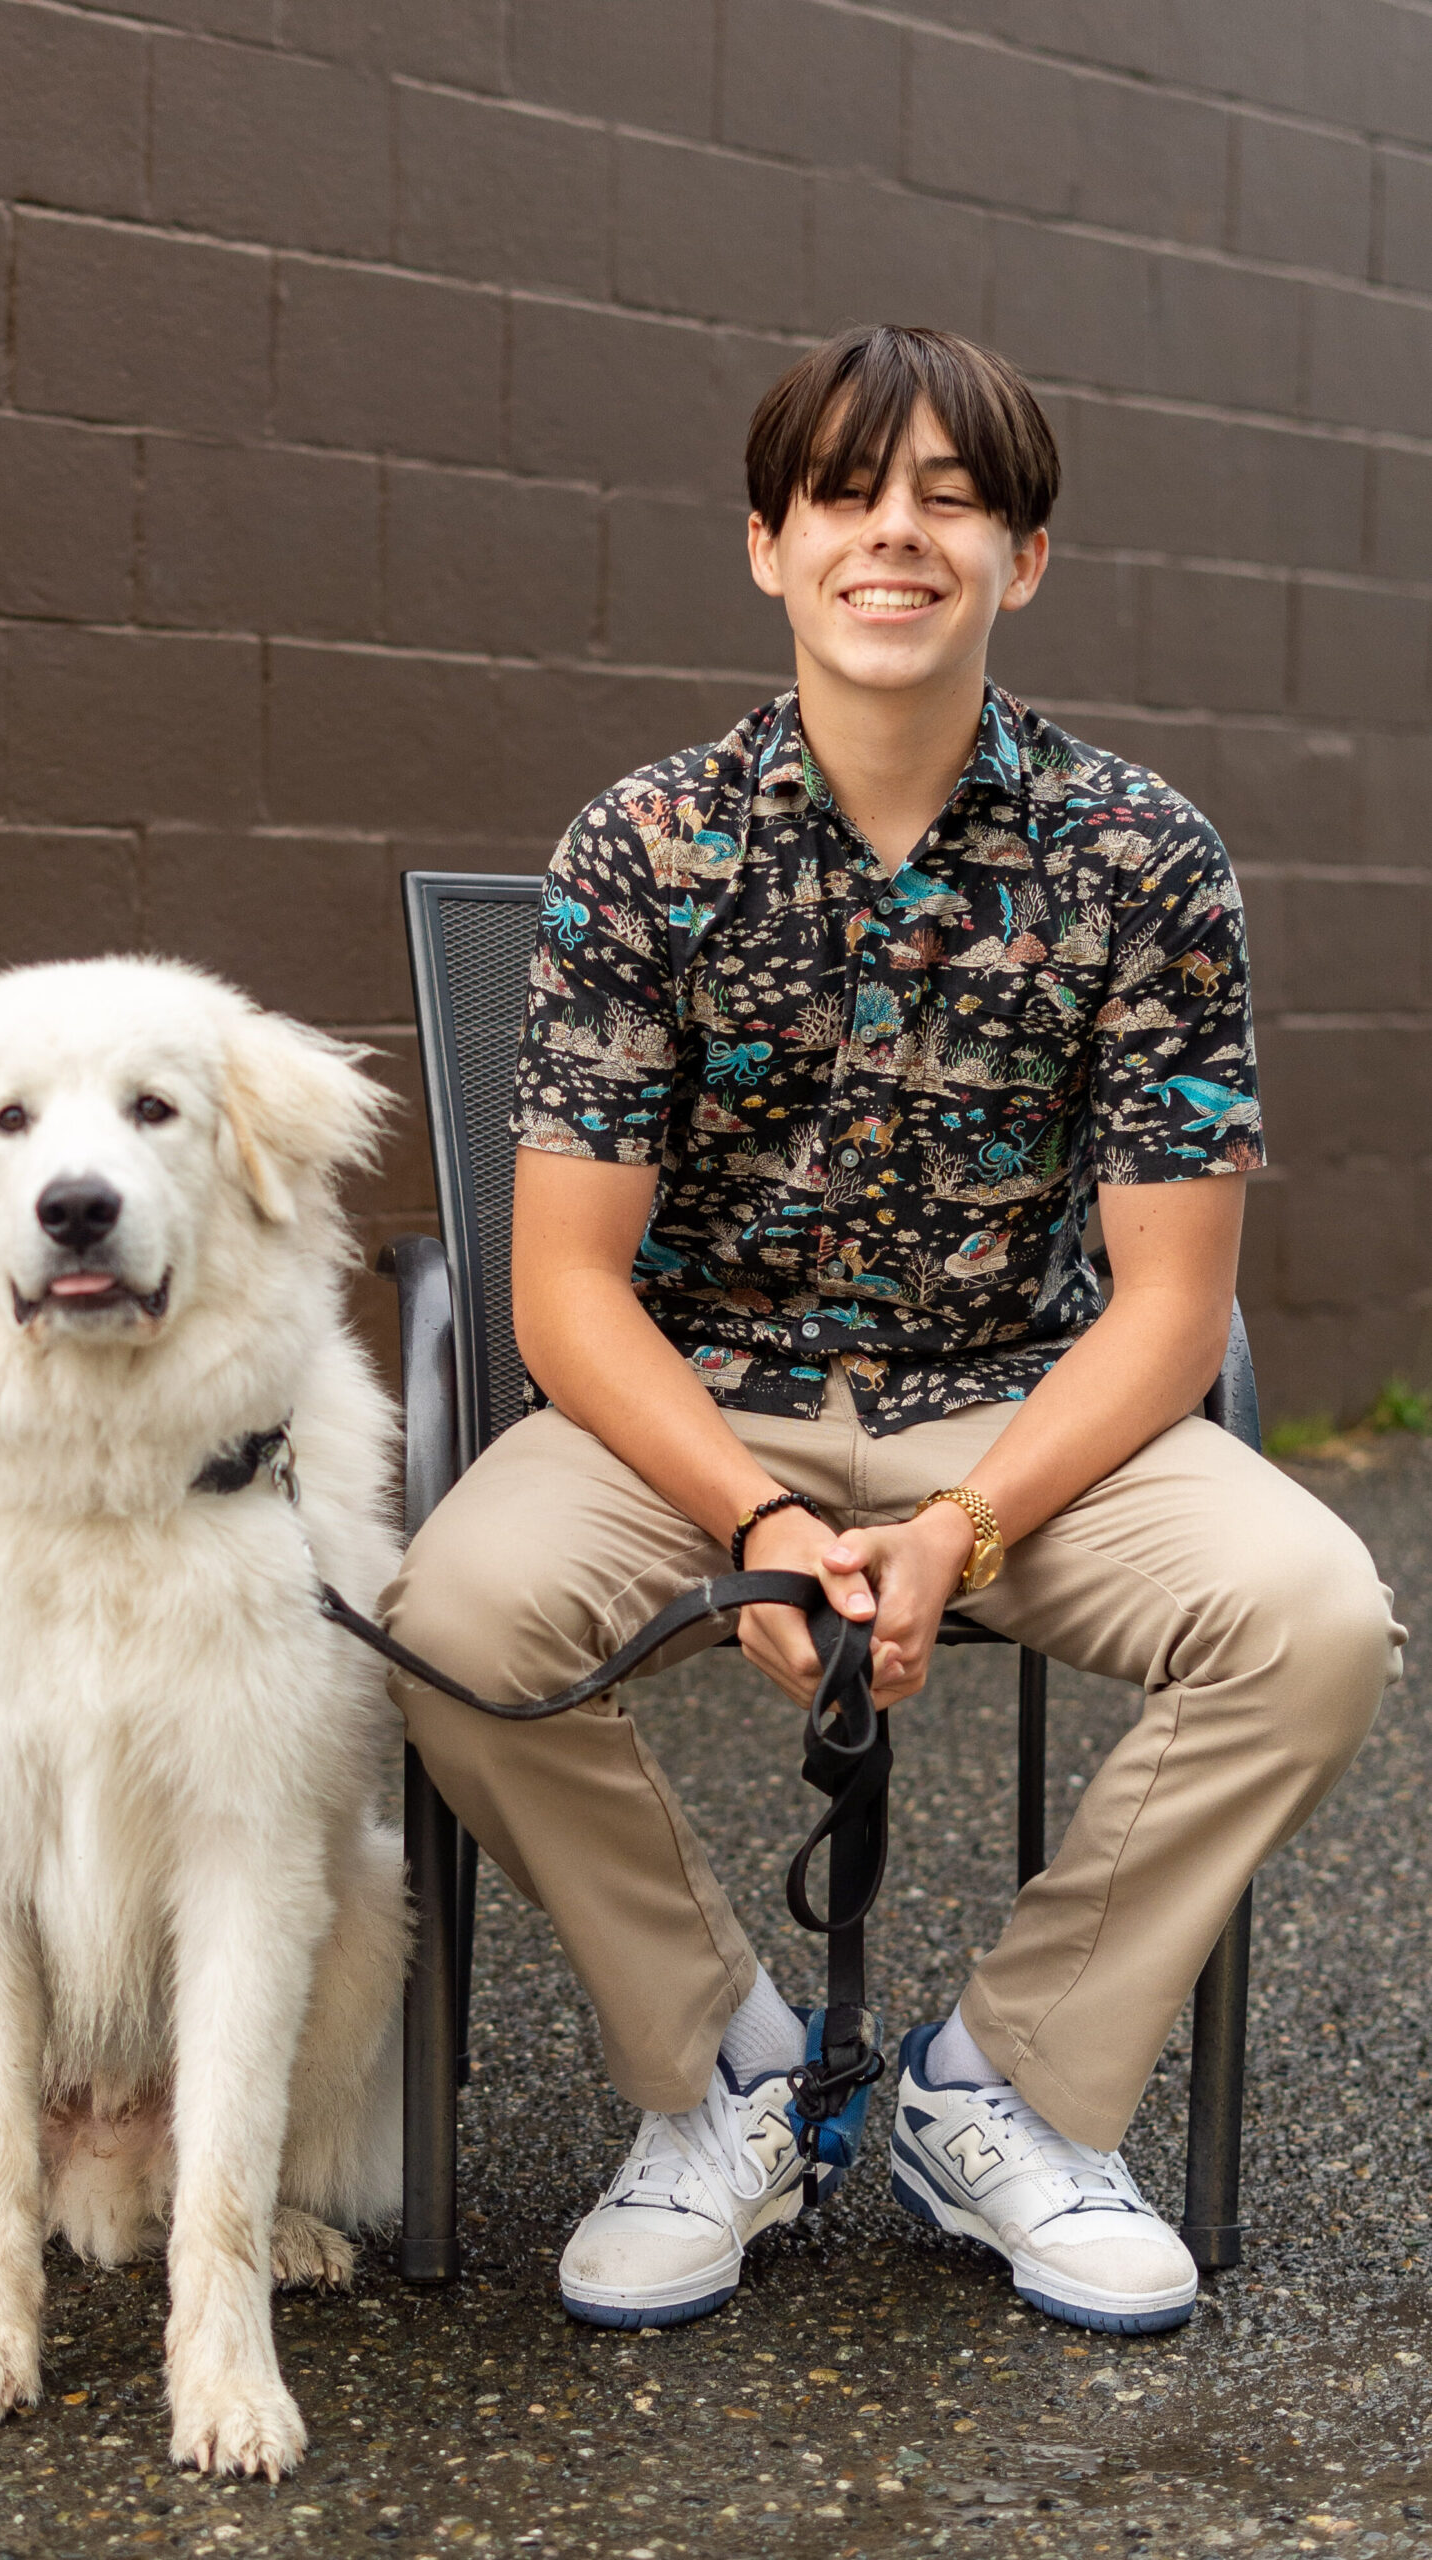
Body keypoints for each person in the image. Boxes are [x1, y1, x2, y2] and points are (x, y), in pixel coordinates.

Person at [382, 326, 1402, 2338]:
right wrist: (750, 1509)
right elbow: (560, 1285)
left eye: (950, 496)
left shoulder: (1144, 858)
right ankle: (723, 2075)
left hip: (1018, 1412)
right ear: (766, 544)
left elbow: (1171, 1301)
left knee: (1314, 1615)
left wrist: (968, 1524)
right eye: (846, 493)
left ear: (1021, 559)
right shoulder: (639, 848)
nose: (894, 533)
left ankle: (1001, 2084)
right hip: (684, 1403)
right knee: (453, 1610)